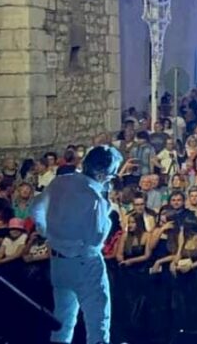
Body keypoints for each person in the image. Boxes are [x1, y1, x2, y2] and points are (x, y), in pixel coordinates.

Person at [30, 145, 123, 344]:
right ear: (101, 172)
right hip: (85, 263)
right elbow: (96, 238)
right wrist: (108, 209)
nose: (113, 176)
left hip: (58, 262)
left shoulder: (60, 182)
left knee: (62, 320)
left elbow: (36, 206)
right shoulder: (94, 197)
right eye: (112, 172)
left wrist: (46, 231)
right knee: (98, 320)